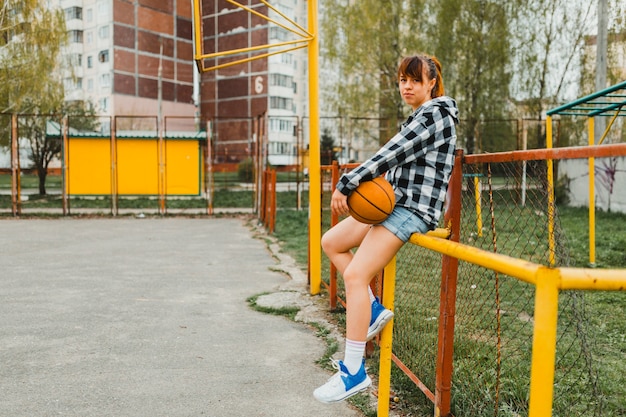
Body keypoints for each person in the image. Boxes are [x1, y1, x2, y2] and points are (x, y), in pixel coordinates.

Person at [313, 54, 459, 404]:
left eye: (414, 80)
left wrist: (348, 183)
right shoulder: (421, 115)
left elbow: (392, 153)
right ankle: (373, 310)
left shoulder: (436, 114)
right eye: (402, 80)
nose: (406, 86)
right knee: (331, 241)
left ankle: (353, 372)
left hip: (413, 209)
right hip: (395, 204)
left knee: (356, 276)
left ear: (431, 84)